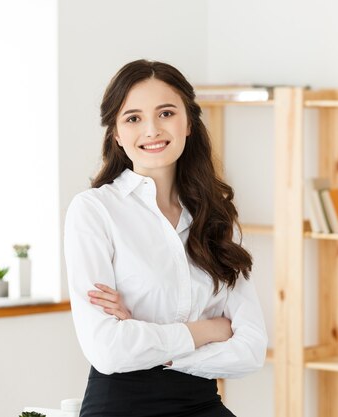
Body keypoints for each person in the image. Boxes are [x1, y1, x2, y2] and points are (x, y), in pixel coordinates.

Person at [63, 59, 268, 417]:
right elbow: (108, 349)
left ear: (188, 123)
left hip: (203, 403)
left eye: (166, 113)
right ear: (116, 133)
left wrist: (150, 338)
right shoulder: (94, 211)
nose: (152, 130)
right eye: (133, 118)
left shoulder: (216, 216)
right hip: (120, 406)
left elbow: (251, 351)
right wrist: (208, 330)